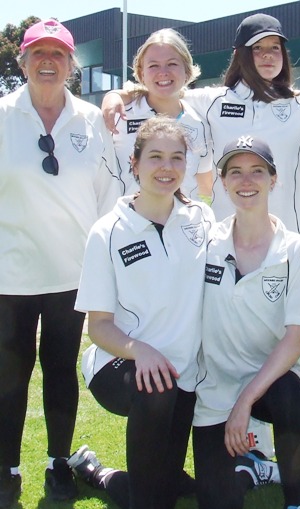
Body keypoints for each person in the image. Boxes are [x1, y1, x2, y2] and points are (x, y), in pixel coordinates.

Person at [101, 12, 300, 479]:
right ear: (242, 55)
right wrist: (119, 92)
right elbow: (164, 89)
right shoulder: (213, 102)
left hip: (294, 248)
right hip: (230, 249)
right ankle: (250, 448)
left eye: (275, 48)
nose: (268, 57)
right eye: (258, 49)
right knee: (236, 346)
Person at [0, 19, 121, 507]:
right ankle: (7, 471)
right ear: (23, 62)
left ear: (72, 65)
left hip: (73, 275)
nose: (48, 62)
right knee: (9, 374)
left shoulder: (94, 120)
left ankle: (58, 462)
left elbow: (110, 198)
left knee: (59, 370)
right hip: (10, 274)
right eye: (38, 53)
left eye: (58, 54)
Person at [67, 115, 214, 509]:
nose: (167, 168)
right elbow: (98, 327)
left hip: (185, 372)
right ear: (134, 164)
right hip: (120, 364)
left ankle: (96, 472)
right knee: (154, 494)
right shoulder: (108, 231)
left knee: (166, 484)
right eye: (155, 157)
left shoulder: (202, 220)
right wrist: (142, 350)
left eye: (176, 158)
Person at [193, 135, 300, 509]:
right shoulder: (206, 243)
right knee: (216, 501)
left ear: (273, 179)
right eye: (235, 172)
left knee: (288, 392)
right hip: (215, 387)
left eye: (256, 172)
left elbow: (297, 337)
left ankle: (296, 501)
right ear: (222, 181)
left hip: (270, 382)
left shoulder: (297, 248)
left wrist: (247, 400)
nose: (246, 181)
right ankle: (257, 467)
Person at [112, 28, 212, 200]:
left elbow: (205, 184)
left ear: (186, 70)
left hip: (183, 223)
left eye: (172, 64)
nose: (163, 72)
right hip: (132, 224)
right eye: (153, 65)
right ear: (141, 72)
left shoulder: (199, 122)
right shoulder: (119, 116)